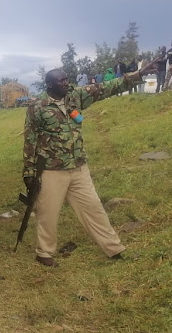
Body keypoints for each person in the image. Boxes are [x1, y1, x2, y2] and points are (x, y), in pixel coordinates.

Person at [21, 61, 157, 266]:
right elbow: (30, 140)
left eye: (67, 79)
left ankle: (114, 248)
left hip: (78, 167)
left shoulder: (75, 97)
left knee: (94, 208)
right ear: (49, 85)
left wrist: (137, 75)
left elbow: (106, 88)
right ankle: (44, 253)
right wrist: (29, 173)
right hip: (51, 170)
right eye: (61, 80)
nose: (66, 83)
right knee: (47, 213)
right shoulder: (37, 107)